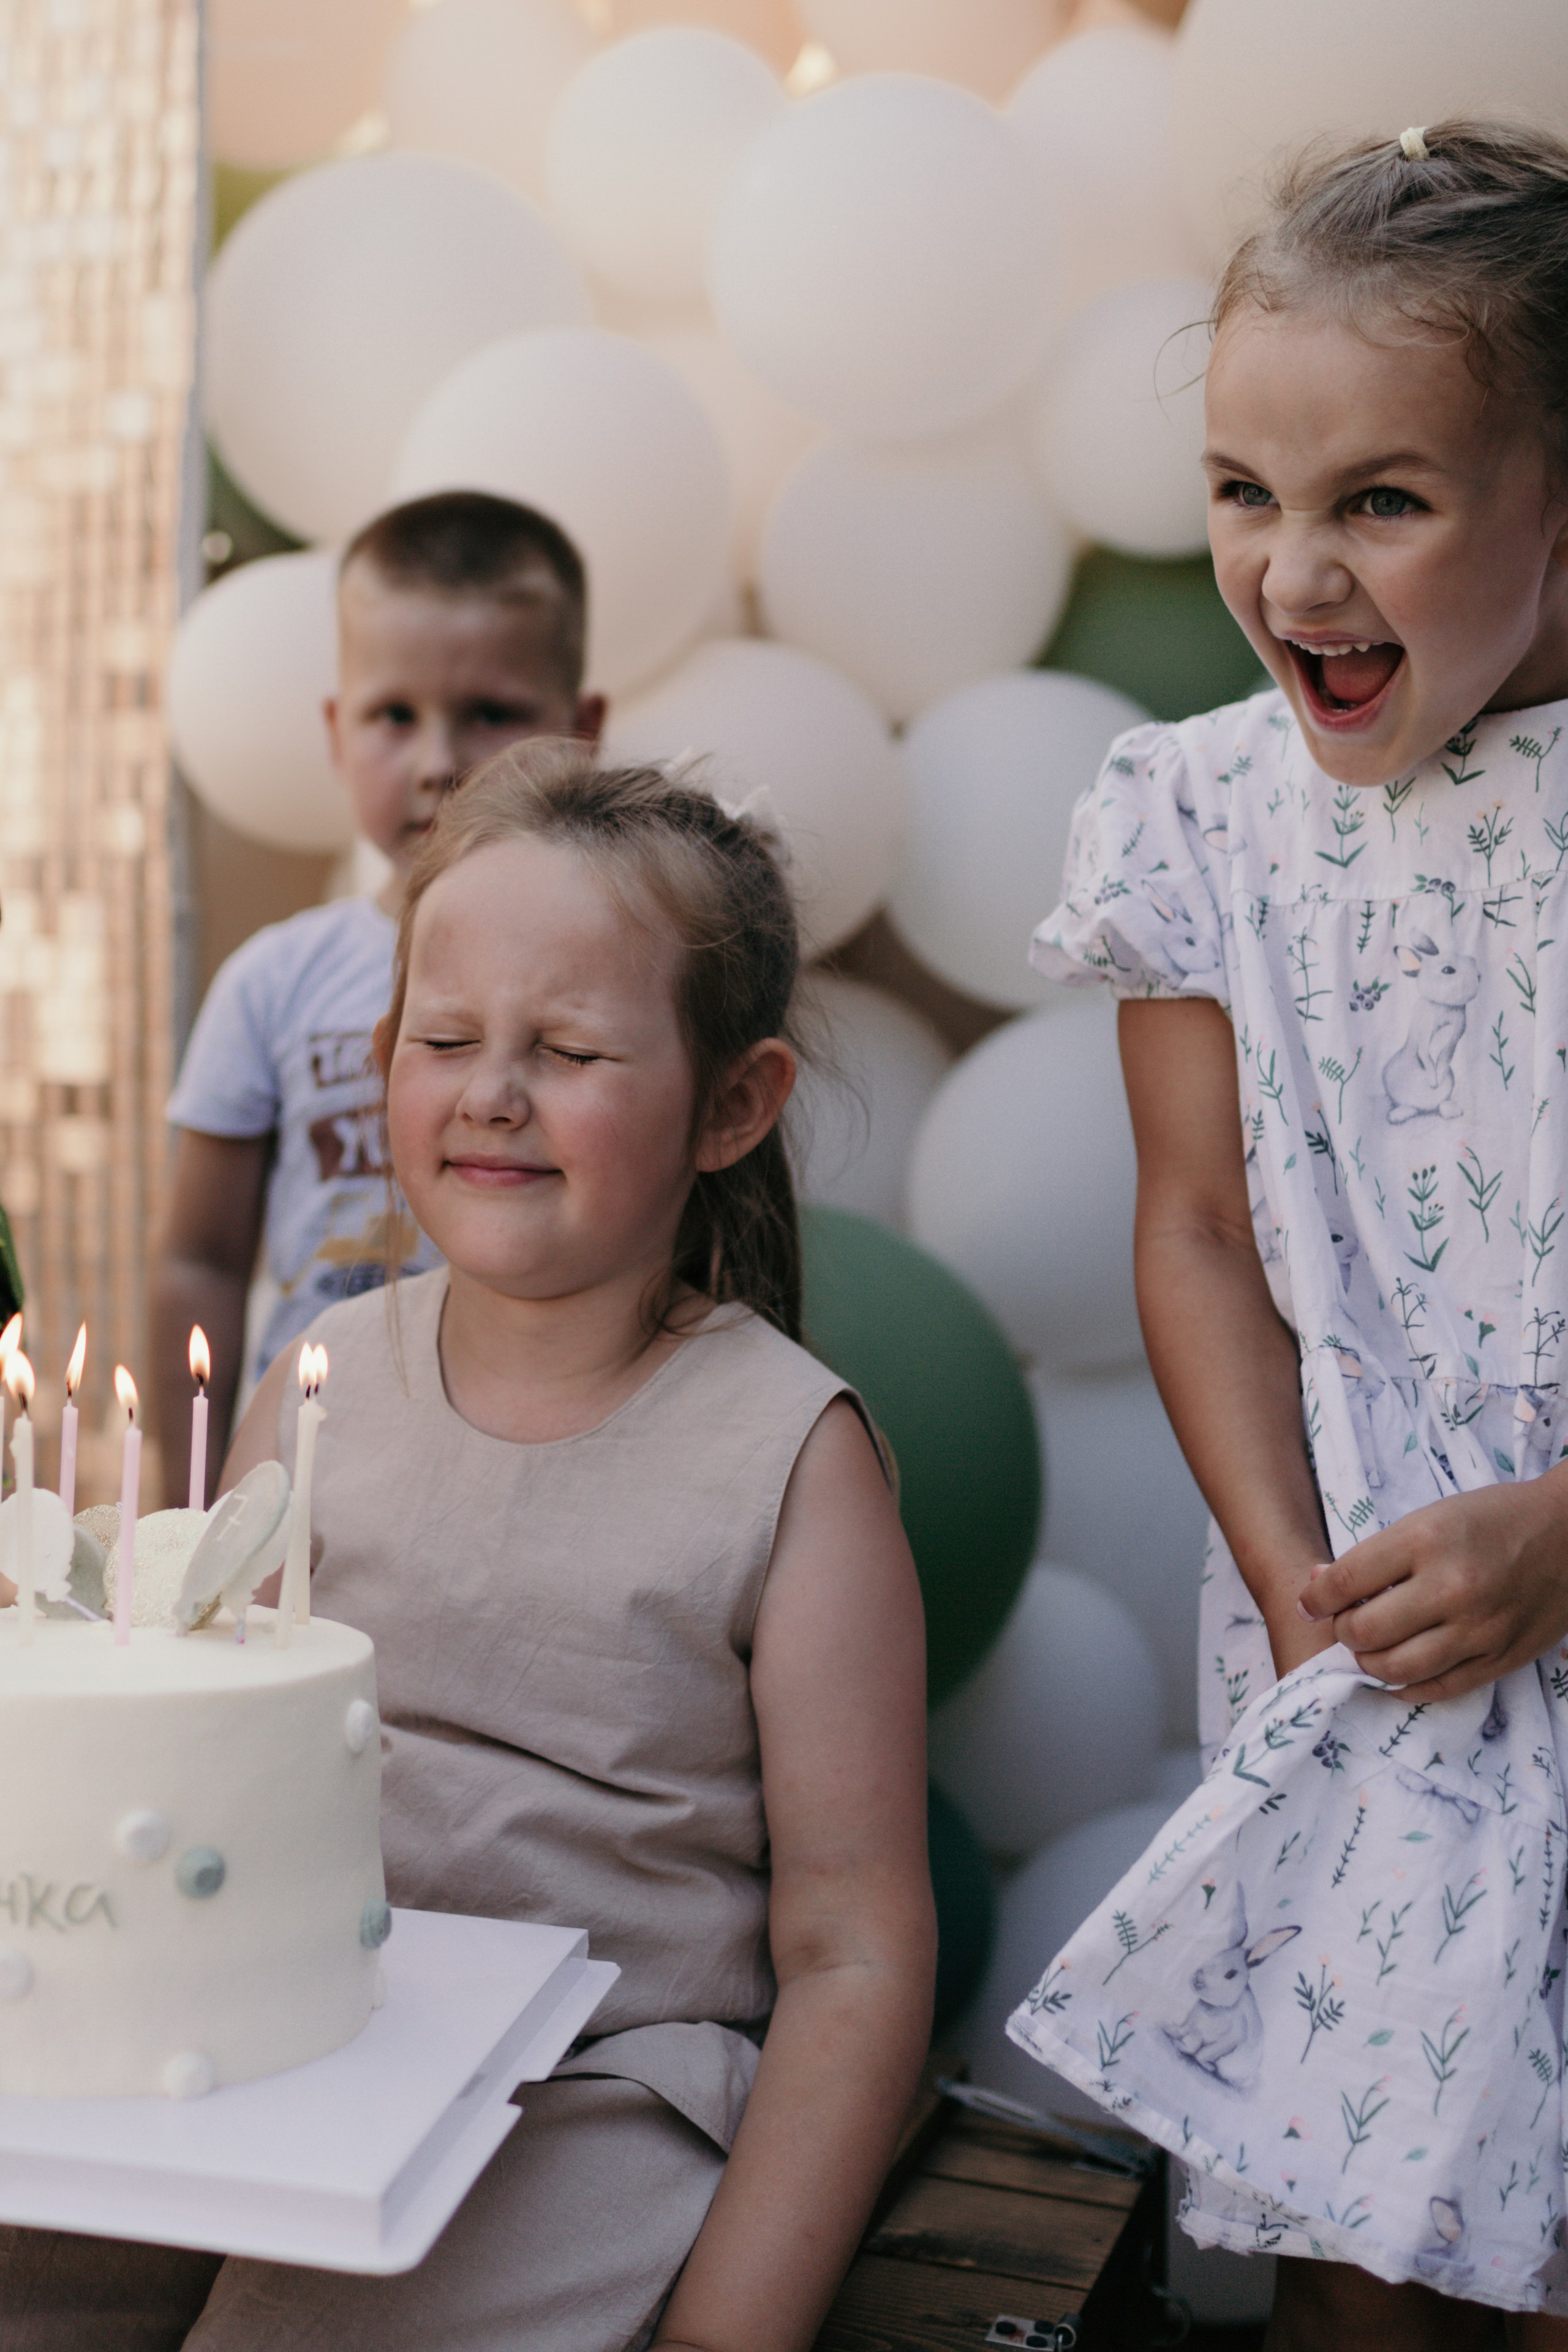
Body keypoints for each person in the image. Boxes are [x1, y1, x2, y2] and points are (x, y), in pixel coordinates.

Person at [0, 742, 931, 2352]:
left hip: (586, 2086)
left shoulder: (793, 1459)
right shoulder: (321, 1385)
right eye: (445, 1039)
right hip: (285, 2027)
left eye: (568, 1047)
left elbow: (854, 1946)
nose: (492, 1090)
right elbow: (211, 1735)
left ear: (734, 1104)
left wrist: (732, 2329)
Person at [1009, 122, 1568, 2350]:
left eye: (1384, 501)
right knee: (1373, 2258)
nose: (1296, 573)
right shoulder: (1200, 814)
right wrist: (1294, 1584)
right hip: (1362, 1629)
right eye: (1247, 491)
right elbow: (1204, 1224)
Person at [152, 491, 605, 1506]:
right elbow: (200, 1254)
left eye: (491, 713)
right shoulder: (272, 980)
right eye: (393, 717)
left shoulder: (617, 984)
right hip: (309, 1471)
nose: (439, 762)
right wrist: (183, 1501)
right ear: (334, 730)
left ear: (582, 732)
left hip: (541, 1466)